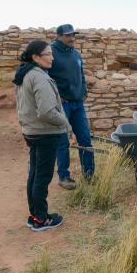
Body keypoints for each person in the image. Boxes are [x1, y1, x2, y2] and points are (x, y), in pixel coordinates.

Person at [13, 40, 69, 231]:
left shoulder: (25, 73)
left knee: (35, 174)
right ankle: (41, 219)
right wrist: (66, 123)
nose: (52, 57)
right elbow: (46, 112)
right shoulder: (39, 77)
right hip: (45, 133)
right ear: (36, 57)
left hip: (32, 131)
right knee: (42, 177)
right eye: (48, 54)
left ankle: (35, 215)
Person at [48, 24, 94, 189]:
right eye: (68, 35)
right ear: (59, 36)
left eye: (73, 34)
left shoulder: (75, 53)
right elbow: (45, 77)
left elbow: (80, 73)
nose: (72, 38)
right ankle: (64, 177)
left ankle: (89, 175)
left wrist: (84, 90)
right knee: (62, 141)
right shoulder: (51, 52)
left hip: (78, 103)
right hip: (62, 104)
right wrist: (55, 98)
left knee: (85, 139)